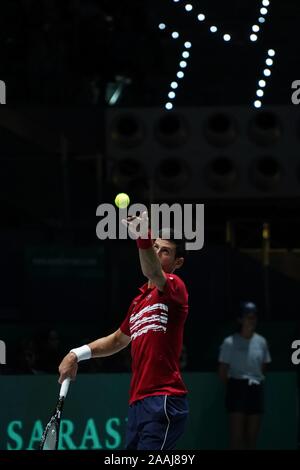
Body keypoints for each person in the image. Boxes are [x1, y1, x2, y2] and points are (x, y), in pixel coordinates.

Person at [58, 211, 189, 450]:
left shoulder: (175, 288)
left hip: (164, 399)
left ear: (177, 262)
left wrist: (142, 236)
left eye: (165, 251)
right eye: (155, 247)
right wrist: (76, 353)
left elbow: (153, 272)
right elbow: (118, 340)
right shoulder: (138, 302)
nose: (157, 254)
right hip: (138, 403)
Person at [218, 301, 271, 450]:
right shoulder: (229, 342)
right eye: (248, 317)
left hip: (256, 389)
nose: (251, 320)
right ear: (240, 319)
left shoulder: (261, 342)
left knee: (252, 438)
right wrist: (235, 386)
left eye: (254, 317)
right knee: (236, 438)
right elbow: (222, 371)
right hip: (236, 389)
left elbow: (263, 367)